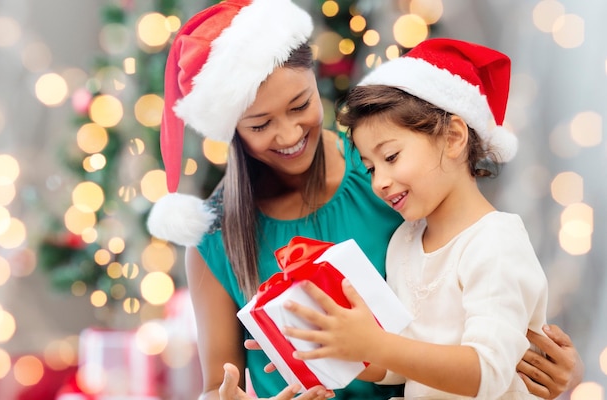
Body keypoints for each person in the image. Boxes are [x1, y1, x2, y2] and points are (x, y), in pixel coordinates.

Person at [145, 0, 584, 398]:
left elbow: (491, 323)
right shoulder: (216, 237)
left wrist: (555, 368)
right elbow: (218, 387)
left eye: (300, 105)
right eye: (260, 125)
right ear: (232, 130)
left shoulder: (388, 168)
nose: (289, 134)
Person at [280, 38, 580, 399]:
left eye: (391, 157)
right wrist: (336, 342)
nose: (380, 182)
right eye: (371, 168)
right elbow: (398, 364)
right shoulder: (404, 242)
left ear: (453, 137)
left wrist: (376, 344)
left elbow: (487, 374)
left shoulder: (496, 243)